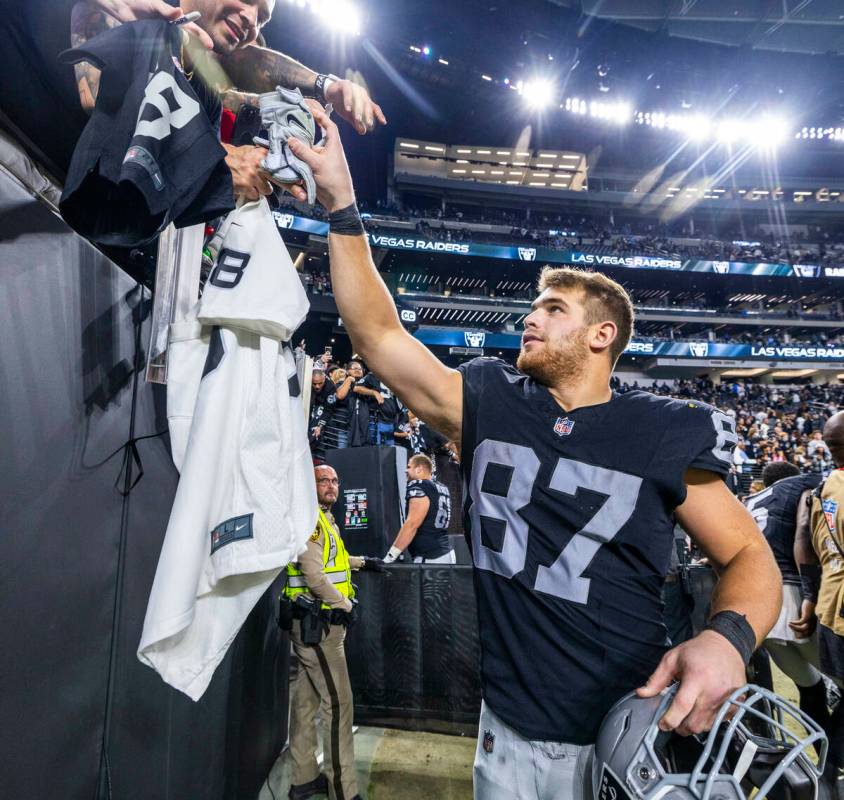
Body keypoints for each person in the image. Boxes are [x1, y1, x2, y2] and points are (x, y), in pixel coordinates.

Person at [288, 104, 782, 800]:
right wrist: (342, 203)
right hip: (506, 732)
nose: (531, 315)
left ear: (603, 335)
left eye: (554, 308)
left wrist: (727, 638)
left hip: (624, 728)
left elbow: (747, 555)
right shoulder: (491, 398)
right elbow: (377, 335)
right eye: (534, 305)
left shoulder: (661, 426)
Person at [70, 0, 385, 202]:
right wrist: (218, 159)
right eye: (248, 0)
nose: (251, 19)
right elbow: (103, 104)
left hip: (137, 248)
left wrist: (326, 85)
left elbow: (249, 61)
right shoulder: (124, 11)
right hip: (43, 203)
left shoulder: (207, 60)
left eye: (263, 19)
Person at [281, 464, 385, 800]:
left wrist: (362, 562)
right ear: (307, 484)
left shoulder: (322, 518)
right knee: (339, 707)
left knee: (304, 705)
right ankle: (344, 790)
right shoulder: (310, 520)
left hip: (315, 625)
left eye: (336, 480)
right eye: (323, 480)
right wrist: (347, 605)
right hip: (320, 629)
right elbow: (314, 577)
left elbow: (332, 560)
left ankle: (303, 780)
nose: (332, 485)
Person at [743, 462, 827, 731]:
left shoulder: (750, 501)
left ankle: (825, 768)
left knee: (810, 686)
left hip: (755, 609)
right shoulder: (804, 484)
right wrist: (811, 593)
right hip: (789, 597)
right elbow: (804, 534)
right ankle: (833, 758)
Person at [795, 410, 844, 793]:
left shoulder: (821, 489)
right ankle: (827, 772)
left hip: (830, 608)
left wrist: (810, 599)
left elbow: (807, 550)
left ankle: (827, 770)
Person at [384, 454, 454, 565]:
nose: (406, 471)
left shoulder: (418, 485)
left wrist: (390, 556)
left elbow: (412, 524)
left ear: (419, 469)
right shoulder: (441, 487)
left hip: (430, 556)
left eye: (409, 467)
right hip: (445, 551)